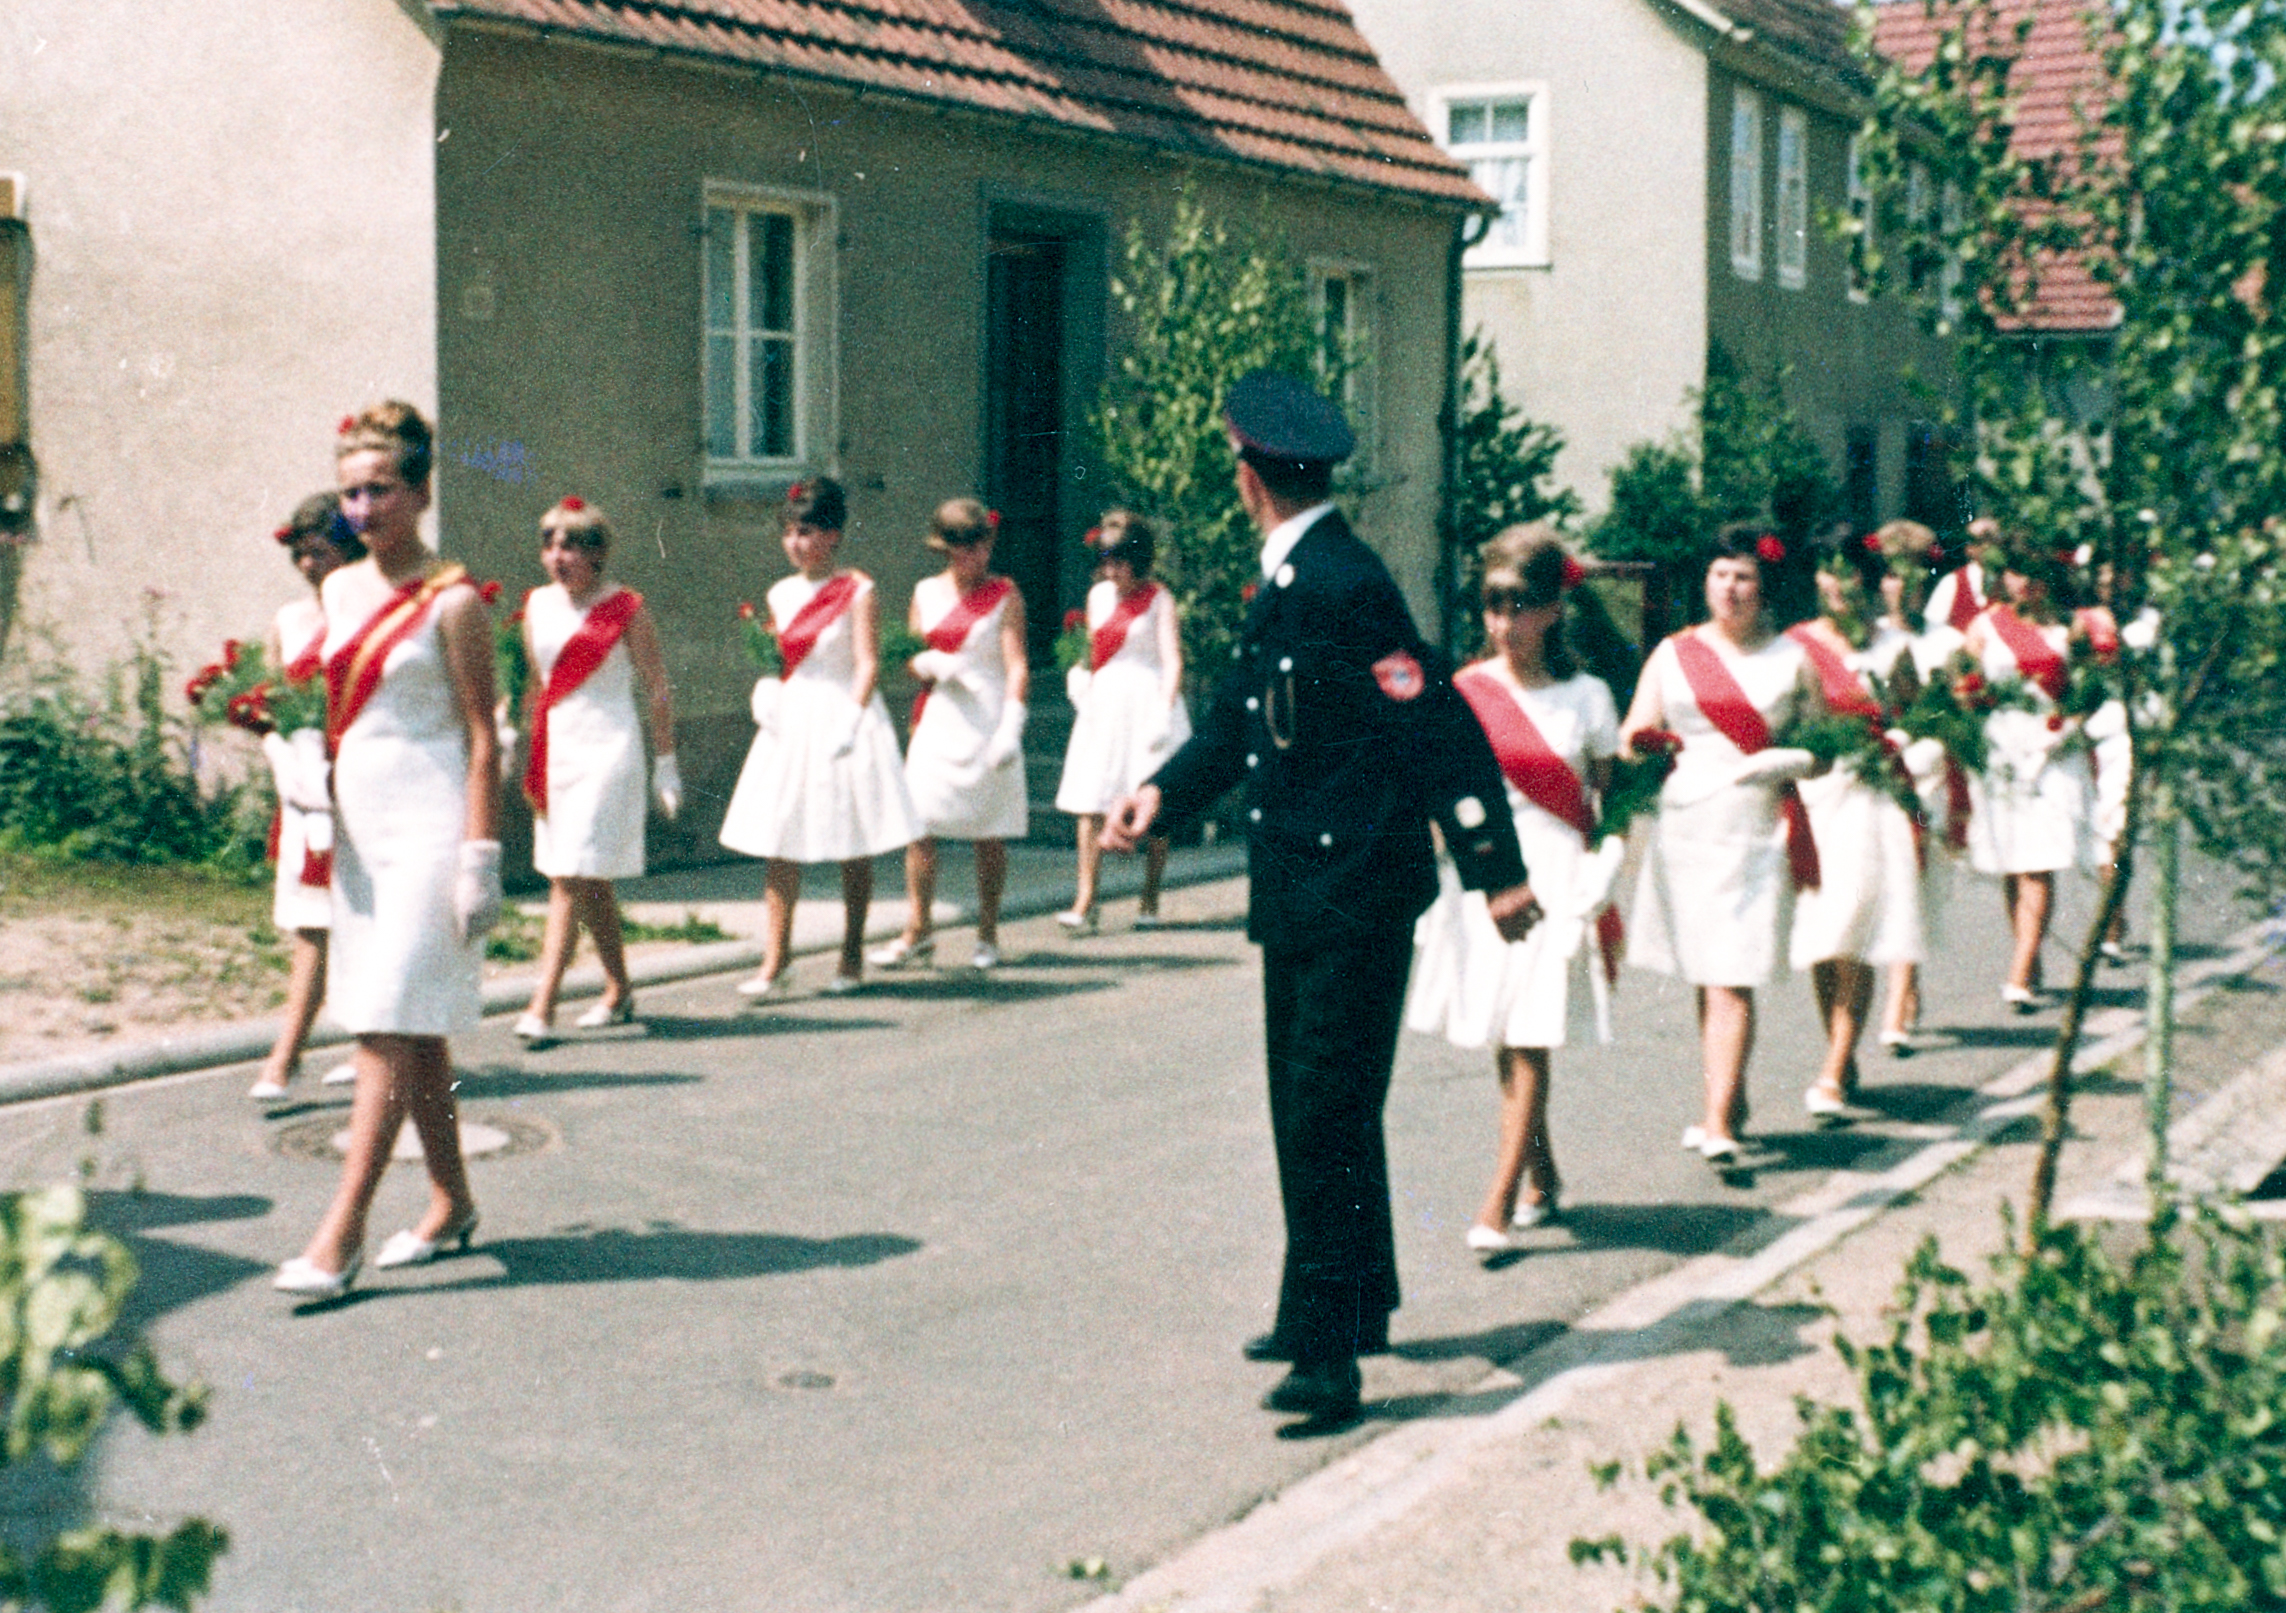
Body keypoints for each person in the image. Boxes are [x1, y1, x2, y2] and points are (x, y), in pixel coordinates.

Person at [1102, 370, 1536, 1427]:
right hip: (1303, 886)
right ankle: (1339, 1303)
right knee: (1316, 1110)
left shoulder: (1344, 580)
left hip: (1356, 890)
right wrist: (1161, 793)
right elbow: (1241, 724)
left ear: (1250, 478)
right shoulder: (1287, 581)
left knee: (1326, 1112)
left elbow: (1431, 718)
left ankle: (1331, 1356)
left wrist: (1496, 866)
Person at [276, 401, 498, 1299]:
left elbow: (484, 735)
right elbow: (335, 711)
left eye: (381, 490)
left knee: (384, 1025)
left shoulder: (453, 601)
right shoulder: (336, 592)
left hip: (433, 829)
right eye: (351, 493)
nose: (364, 508)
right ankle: (451, 1200)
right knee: (417, 1027)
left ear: (421, 491)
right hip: (362, 832)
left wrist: (481, 854)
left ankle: (340, 1235)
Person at [1404, 526, 1620, 1256]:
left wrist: (1605, 872)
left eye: (1520, 605)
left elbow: (1610, 801)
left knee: (1530, 1032)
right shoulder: (1466, 689)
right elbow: (1440, 791)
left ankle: (1495, 1202)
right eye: (1493, 605)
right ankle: (1544, 1172)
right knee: (1507, 1029)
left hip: (1554, 874)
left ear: (1554, 608)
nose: (1504, 622)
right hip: (1485, 874)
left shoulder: (1589, 697)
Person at [1619, 525, 1826, 1164]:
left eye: (1743, 578)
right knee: (1707, 972)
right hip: (1688, 827)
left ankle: (1716, 1122)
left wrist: (1790, 760)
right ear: (1704, 582)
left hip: (1756, 827)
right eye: (1719, 575)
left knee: (1733, 974)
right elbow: (1635, 732)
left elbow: (1825, 750)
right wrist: (1648, 751)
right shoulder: (1673, 654)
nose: (1730, 589)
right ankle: (1727, 1100)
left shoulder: (1792, 659)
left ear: (1763, 588)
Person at [719, 478, 918, 994]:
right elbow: (781, 658)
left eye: (805, 532)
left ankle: (850, 957)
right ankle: (776, 960)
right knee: (781, 837)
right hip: (793, 718)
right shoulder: (780, 593)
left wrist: (852, 722)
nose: (795, 543)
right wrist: (767, 688)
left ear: (832, 534)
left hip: (843, 716)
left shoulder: (859, 590)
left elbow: (868, 661)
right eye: (788, 532)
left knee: (853, 839)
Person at [509, 497, 680, 1045]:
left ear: (598, 553)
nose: (558, 557)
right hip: (557, 747)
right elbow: (536, 683)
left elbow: (656, 687)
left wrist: (667, 764)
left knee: (569, 874)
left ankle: (543, 1004)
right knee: (588, 877)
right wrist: (519, 739)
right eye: (550, 544)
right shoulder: (535, 605)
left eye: (572, 546)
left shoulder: (626, 607)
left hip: (609, 747)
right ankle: (619, 989)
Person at [1785, 543, 1925, 1117]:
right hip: (1812, 795)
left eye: (1849, 574)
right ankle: (1841, 1054)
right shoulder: (1794, 645)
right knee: (1824, 937)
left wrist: (1900, 742)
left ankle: (1833, 1069)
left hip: (1869, 797)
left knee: (1856, 928)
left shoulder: (1894, 648)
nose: (1838, 584)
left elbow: (1920, 714)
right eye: (1828, 571)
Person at [871, 498, 1029, 971]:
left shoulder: (1005, 594)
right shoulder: (925, 592)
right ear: (945, 549)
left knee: (989, 832)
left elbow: (1017, 664)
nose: (974, 557)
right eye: (963, 548)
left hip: (987, 722)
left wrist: (1011, 726)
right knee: (919, 829)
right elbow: (909, 656)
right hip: (939, 718)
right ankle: (918, 931)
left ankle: (987, 933)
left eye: (981, 546)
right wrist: (929, 662)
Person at [247, 493, 366, 1101]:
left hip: (357, 786)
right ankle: (355, 1042)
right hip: (303, 789)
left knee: (335, 922)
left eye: (318, 553)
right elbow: (268, 703)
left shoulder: (364, 617)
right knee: (313, 920)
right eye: (300, 554)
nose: (306, 567)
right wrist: (270, 745)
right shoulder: (290, 621)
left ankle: (285, 1057)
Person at [1963, 536, 2097, 1009]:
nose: (2026, 583)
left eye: (2035, 574)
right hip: (2003, 747)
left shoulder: (2070, 627)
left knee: (2039, 860)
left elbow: (2088, 692)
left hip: (2052, 750)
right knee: (2013, 862)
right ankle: (2031, 954)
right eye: (2017, 573)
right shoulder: (1983, 627)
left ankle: (2019, 970)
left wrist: (2065, 730)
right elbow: (1965, 688)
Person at [1053, 511, 1188, 932]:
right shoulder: (1098, 597)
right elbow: (1090, 650)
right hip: (1105, 704)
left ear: (1138, 559)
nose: (1111, 570)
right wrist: (1079, 675)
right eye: (1105, 561)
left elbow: (1172, 661)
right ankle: (1086, 898)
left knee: (1152, 800)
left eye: (1118, 560)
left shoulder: (1159, 599)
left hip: (1146, 703)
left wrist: (1164, 714)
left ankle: (1150, 896)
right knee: (1090, 800)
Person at [1864, 520, 1966, 1053]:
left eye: (1911, 576)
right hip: (1877, 776)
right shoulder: (1868, 641)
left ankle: (1895, 1004)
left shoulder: (1946, 642)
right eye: (1889, 576)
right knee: (1882, 888)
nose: (1899, 587)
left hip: (1926, 775)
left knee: (1914, 882)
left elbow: (1957, 714)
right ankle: (1907, 980)